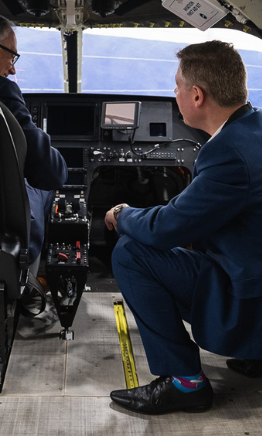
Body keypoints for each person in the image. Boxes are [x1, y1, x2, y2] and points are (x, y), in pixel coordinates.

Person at [105, 40, 262, 416]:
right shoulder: (252, 131)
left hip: (249, 301)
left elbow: (165, 229)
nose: (173, 94)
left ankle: (184, 383)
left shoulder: (228, 153)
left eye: (176, 87)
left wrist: (123, 213)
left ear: (196, 95)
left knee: (130, 253)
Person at [0, 14, 67, 276]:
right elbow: (50, 172)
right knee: (41, 186)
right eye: (12, 56)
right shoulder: (0, 92)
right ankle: (27, 282)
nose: (12, 69)